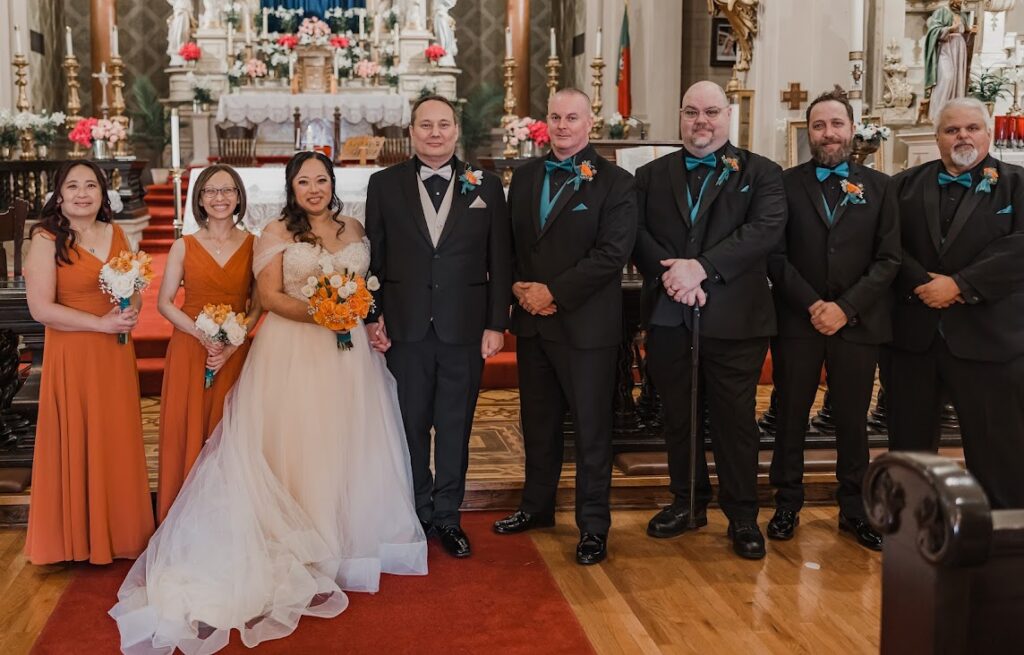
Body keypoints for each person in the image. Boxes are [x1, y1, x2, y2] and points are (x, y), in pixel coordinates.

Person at [110, 152, 427, 653]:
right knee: (296, 438)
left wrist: (363, 316)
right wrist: (324, 314)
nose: (314, 188)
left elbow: (370, 289)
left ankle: (345, 536)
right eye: (304, 181)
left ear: (332, 183)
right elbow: (272, 297)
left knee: (346, 436)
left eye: (321, 179)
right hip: (294, 351)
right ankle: (302, 530)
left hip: (349, 358)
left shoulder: (354, 226)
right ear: (291, 186)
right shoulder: (276, 231)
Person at [633, 81, 786, 560]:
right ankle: (688, 502)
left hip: (736, 317)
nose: (701, 121)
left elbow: (763, 231)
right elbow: (634, 233)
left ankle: (742, 515)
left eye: (711, 112)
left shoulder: (762, 173)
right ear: (680, 117)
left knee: (734, 421)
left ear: (728, 116)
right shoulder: (650, 175)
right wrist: (675, 277)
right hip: (668, 314)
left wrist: (700, 269)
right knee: (678, 417)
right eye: (691, 112)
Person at [492, 88, 637, 566]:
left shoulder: (616, 183)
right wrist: (517, 288)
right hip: (533, 325)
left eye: (572, 118)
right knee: (538, 425)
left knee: (592, 432)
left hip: (585, 328)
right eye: (555, 117)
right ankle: (536, 508)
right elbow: (508, 243)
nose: (562, 126)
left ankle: (593, 526)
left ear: (589, 124)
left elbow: (611, 255)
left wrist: (551, 292)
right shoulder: (527, 176)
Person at [365, 95, 511, 558]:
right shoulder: (384, 185)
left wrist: (496, 323)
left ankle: (448, 516)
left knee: (454, 426)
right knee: (408, 425)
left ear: (455, 131)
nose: (434, 133)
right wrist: (374, 315)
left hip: (464, 328)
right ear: (410, 131)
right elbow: (374, 259)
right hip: (405, 327)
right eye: (425, 125)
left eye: (443, 124)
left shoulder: (486, 183)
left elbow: (500, 259)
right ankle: (415, 511)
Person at [766, 87, 898, 550]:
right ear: (809, 132)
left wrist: (846, 308)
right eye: (818, 126)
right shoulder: (782, 184)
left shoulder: (881, 188)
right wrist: (813, 305)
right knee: (791, 415)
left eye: (836, 124)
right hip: (797, 322)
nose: (828, 133)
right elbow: (776, 256)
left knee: (851, 419)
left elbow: (888, 259)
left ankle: (855, 510)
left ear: (852, 128)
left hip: (857, 324)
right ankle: (786, 504)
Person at [887, 97, 1024, 510]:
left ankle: (1004, 536)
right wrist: (924, 284)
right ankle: (912, 527)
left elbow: (1018, 249)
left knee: (998, 450)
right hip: (914, 340)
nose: (962, 136)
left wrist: (961, 285)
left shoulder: (1018, 184)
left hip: (989, 340)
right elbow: (888, 246)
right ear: (937, 138)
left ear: (988, 133)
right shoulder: (903, 185)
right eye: (952, 130)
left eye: (971, 128)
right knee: (911, 449)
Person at [24, 160, 154, 564]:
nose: (83, 193)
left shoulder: (118, 233)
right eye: (73, 186)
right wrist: (100, 323)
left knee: (114, 433)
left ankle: (117, 534)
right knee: (79, 434)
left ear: (103, 193)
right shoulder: (45, 239)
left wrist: (132, 306)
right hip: (74, 354)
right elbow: (41, 310)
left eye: (91, 185)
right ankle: (75, 538)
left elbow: (134, 291)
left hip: (114, 352)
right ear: (58, 195)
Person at [155, 164, 259, 521]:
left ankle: (230, 516)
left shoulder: (253, 245)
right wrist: (203, 334)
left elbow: (257, 305)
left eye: (228, 190)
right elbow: (165, 302)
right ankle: (185, 517)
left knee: (229, 429)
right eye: (211, 191)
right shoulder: (182, 247)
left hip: (235, 352)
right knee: (189, 427)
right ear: (199, 198)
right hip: (189, 347)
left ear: (239, 197)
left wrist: (230, 343)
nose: (220, 198)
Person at [924, 0, 975, 124]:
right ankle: (938, 114)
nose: (961, 2)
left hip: (959, 49)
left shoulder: (962, 15)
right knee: (946, 78)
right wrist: (950, 29)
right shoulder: (941, 12)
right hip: (946, 48)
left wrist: (971, 30)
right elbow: (933, 30)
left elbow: (966, 31)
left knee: (958, 80)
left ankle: (954, 115)